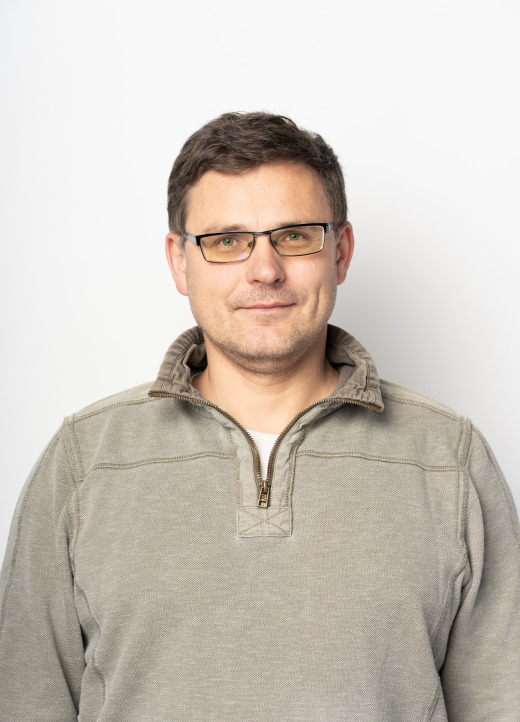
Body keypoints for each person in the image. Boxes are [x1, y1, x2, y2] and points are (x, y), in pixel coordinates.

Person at [0, 112, 519, 722]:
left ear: (341, 252)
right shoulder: (84, 463)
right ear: (179, 262)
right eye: (227, 241)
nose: (265, 270)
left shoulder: (450, 462)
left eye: (295, 236)